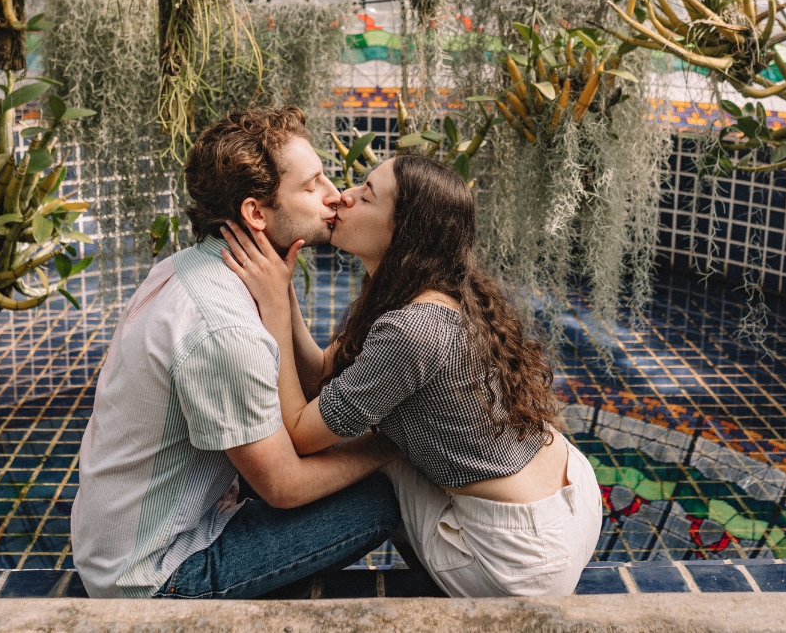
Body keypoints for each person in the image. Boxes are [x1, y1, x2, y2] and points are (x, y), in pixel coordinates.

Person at [220, 153, 602, 598]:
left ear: (400, 230)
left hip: (521, 559)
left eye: (366, 196)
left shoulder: (412, 331)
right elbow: (325, 371)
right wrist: (281, 288)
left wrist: (272, 310)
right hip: (573, 494)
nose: (343, 197)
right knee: (380, 448)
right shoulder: (440, 289)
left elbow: (302, 433)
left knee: (377, 471)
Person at [71, 106, 400, 599]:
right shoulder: (223, 331)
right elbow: (283, 486)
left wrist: (282, 296)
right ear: (256, 213)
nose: (334, 195)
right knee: (380, 500)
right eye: (311, 186)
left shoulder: (190, 268)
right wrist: (395, 443)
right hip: (156, 573)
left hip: (116, 543)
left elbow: (313, 385)